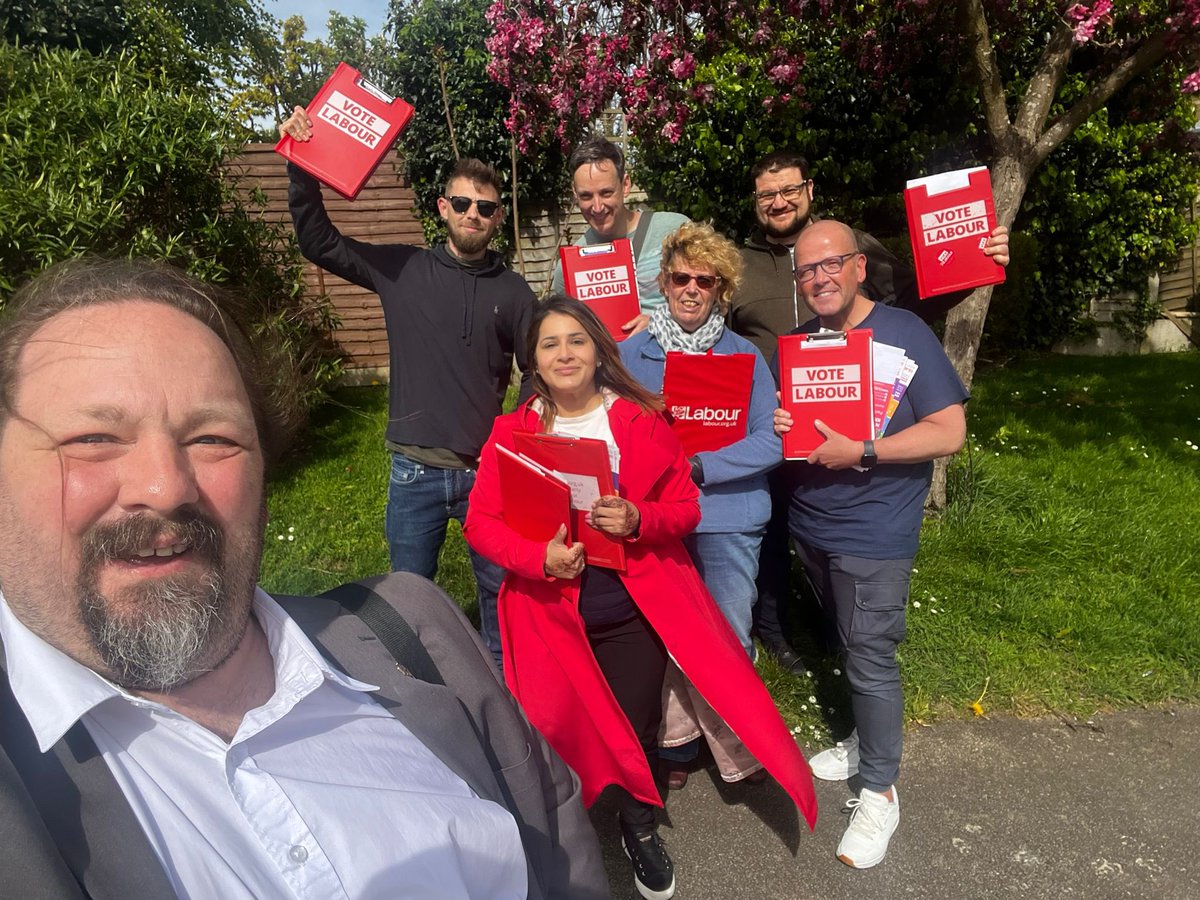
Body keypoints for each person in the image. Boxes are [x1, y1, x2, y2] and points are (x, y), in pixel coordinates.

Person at [0, 259, 607, 899]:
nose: (166, 486)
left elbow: (560, 842)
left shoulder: (418, 630)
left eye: (213, 437)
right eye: (94, 437)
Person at [464, 296, 817, 900]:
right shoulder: (510, 432)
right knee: (554, 725)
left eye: (577, 340)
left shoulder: (642, 419)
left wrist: (637, 518)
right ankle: (558, 829)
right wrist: (536, 558)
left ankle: (639, 826)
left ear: (600, 350)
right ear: (535, 362)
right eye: (550, 344)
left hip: (632, 604)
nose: (565, 353)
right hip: (548, 607)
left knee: (635, 726)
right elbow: (481, 524)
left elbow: (685, 507)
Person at [730, 149, 1010, 669]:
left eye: (789, 190)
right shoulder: (740, 265)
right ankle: (776, 631)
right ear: (756, 202)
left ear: (809, 189)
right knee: (774, 536)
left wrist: (975, 261)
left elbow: (917, 297)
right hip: (779, 421)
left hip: (855, 429)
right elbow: (711, 327)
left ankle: (843, 639)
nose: (779, 201)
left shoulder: (856, 247)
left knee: (834, 546)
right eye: (767, 194)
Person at [281, 106, 533, 663]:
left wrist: (517, 441)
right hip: (412, 471)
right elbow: (319, 243)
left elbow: (536, 374)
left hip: (485, 474)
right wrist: (301, 168)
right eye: (463, 203)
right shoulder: (402, 269)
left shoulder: (515, 293)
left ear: (496, 218)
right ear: (444, 208)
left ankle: (501, 682)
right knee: (409, 600)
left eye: (486, 208)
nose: (473, 214)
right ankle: (423, 687)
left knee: (501, 593)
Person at [774, 221, 970, 869]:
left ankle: (881, 788)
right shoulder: (799, 345)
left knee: (871, 656)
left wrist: (864, 449)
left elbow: (949, 431)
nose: (819, 277)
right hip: (813, 528)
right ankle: (864, 741)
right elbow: (798, 432)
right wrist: (782, 420)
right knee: (850, 639)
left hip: (876, 533)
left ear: (859, 266)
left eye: (830, 264)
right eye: (805, 270)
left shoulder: (904, 332)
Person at [619, 222, 781, 788]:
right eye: (681, 277)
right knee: (662, 632)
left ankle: (738, 747)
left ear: (721, 290)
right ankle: (678, 745)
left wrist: (698, 466)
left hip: (726, 515)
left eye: (705, 281)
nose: (691, 289)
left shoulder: (744, 358)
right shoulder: (627, 355)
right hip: (655, 518)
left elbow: (771, 439)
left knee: (728, 634)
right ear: (663, 282)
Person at [549, 136, 690, 335]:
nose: (597, 207)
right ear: (574, 193)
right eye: (586, 196)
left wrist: (662, 321)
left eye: (606, 193)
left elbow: (712, 298)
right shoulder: (569, 266)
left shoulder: (675, 230)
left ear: (625, 185)